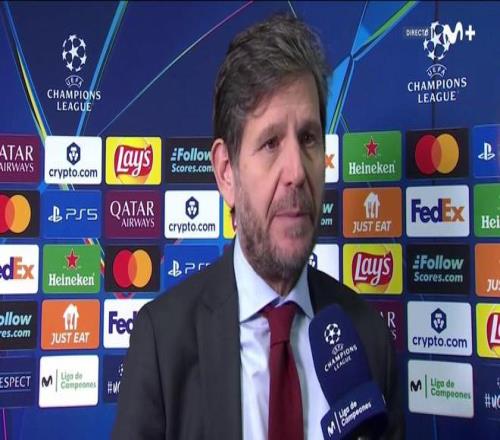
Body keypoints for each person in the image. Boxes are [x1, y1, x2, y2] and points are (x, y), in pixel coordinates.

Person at [113, 14, 403, 440]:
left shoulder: (369, 338)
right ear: (226, 172)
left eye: (309, 138)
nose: (296, 173)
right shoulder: (163, 342)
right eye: (270, 143)